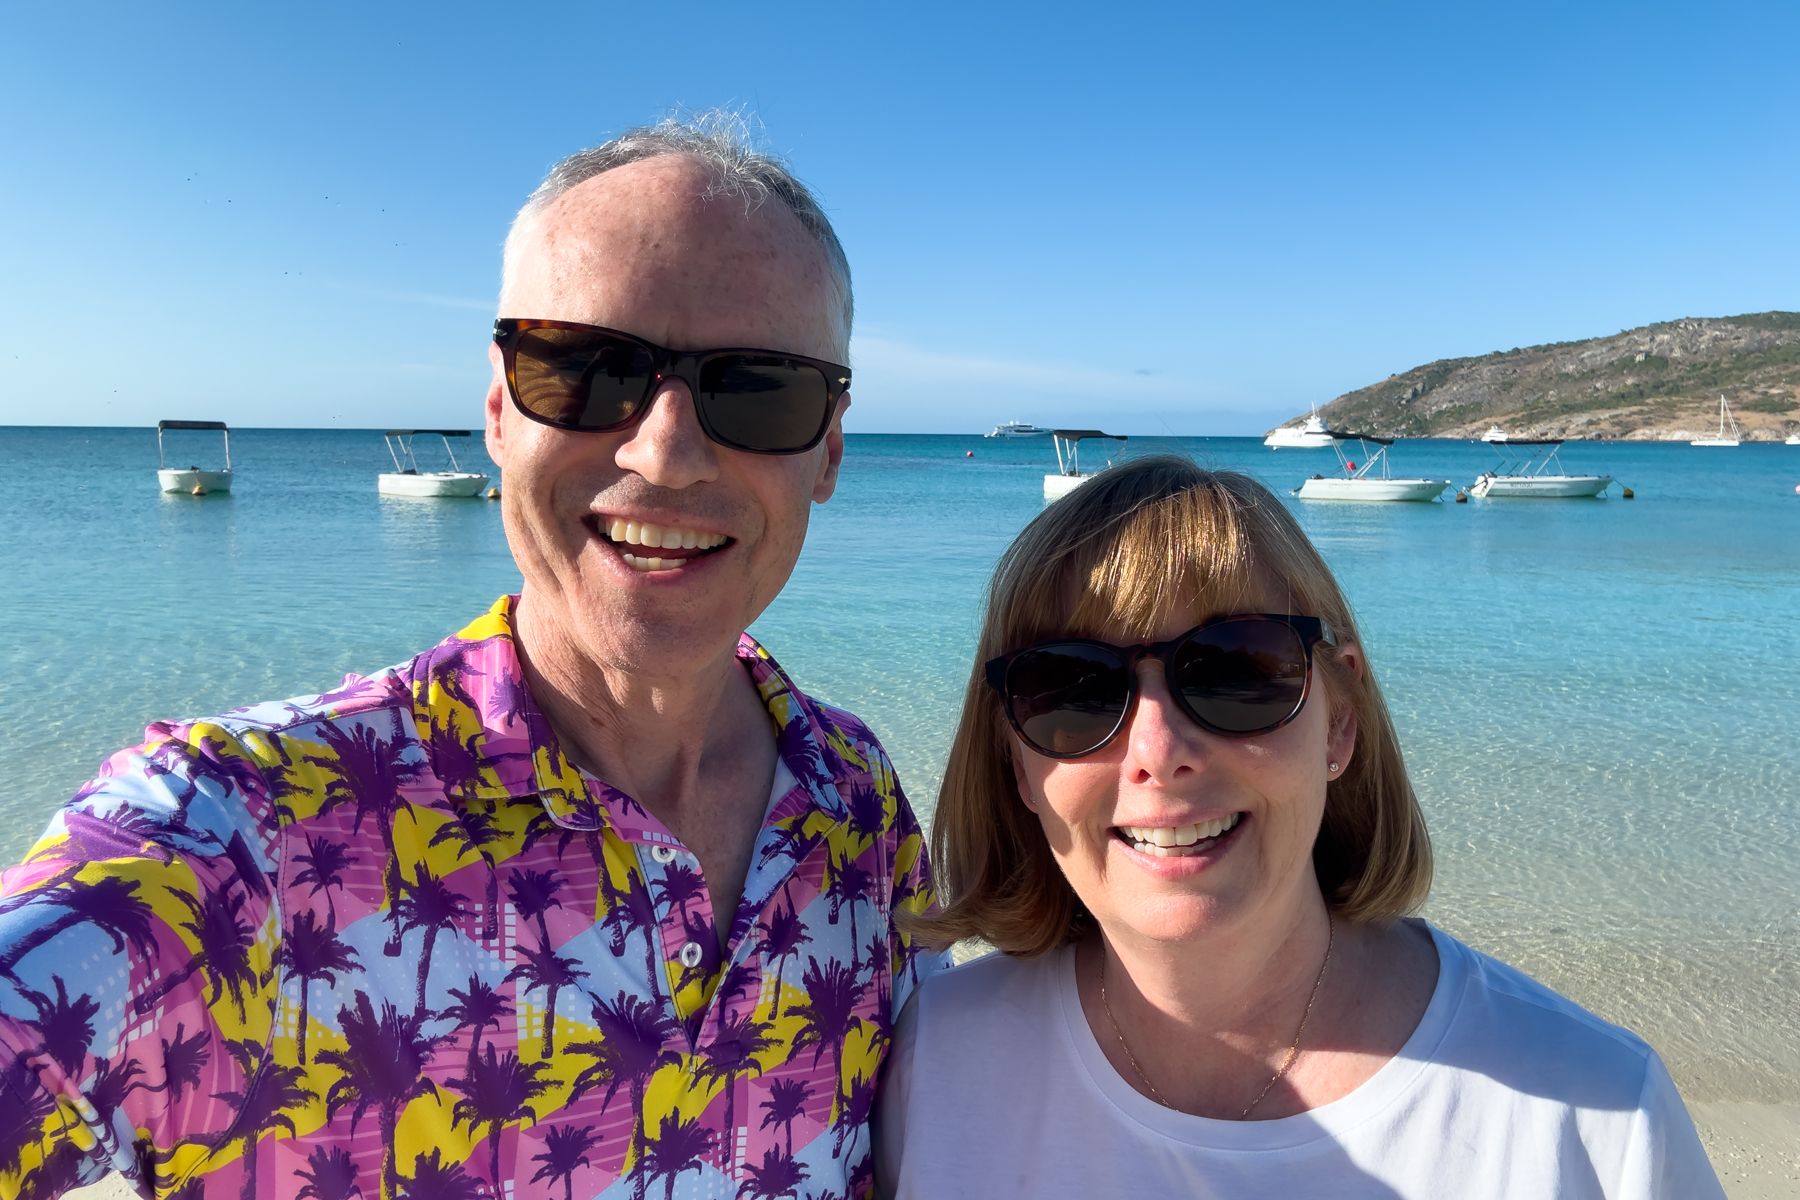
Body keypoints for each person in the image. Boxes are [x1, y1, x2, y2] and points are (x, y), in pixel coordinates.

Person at [0, 114, 937, 1200]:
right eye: (585, 371)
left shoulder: (855, 804)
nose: (666, 451)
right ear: (498, 411)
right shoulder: (237, 836)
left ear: (828, 448)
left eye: (759, 389)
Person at [875, 456, 1722, 1198]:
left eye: (1237, 672)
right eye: (1069, 690)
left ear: (1341, 719)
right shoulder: (937, 1065)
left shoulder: (1593, 1117)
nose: (1158, 752)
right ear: (1017, 762)